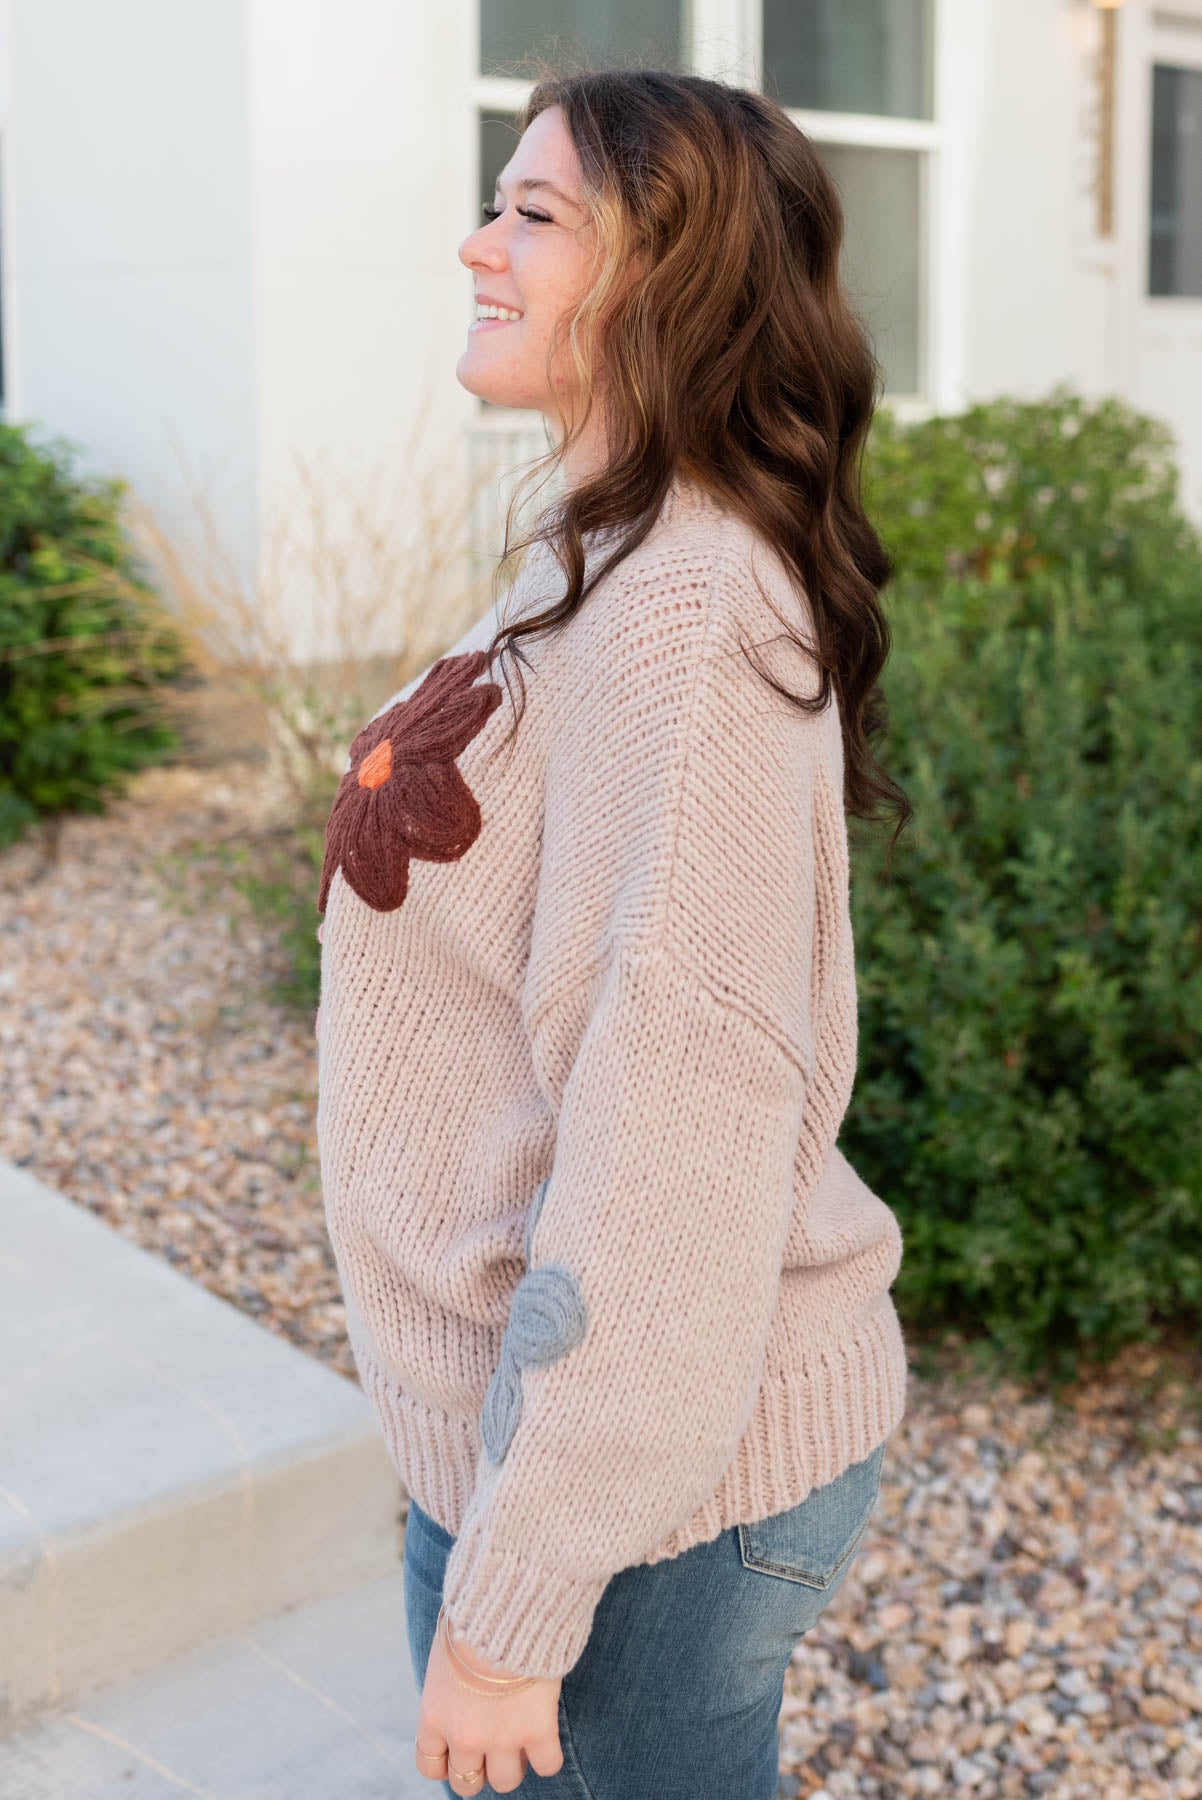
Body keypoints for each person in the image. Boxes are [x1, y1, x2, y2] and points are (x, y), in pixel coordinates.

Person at [315, 66, 912, 1800]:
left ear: (674, 273)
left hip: (644, 1508)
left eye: (532, 212)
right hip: (547, 1459)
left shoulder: (688, 613)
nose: (475, 244)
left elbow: (675, 1136)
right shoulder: (603, 546)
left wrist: (512, 1608)